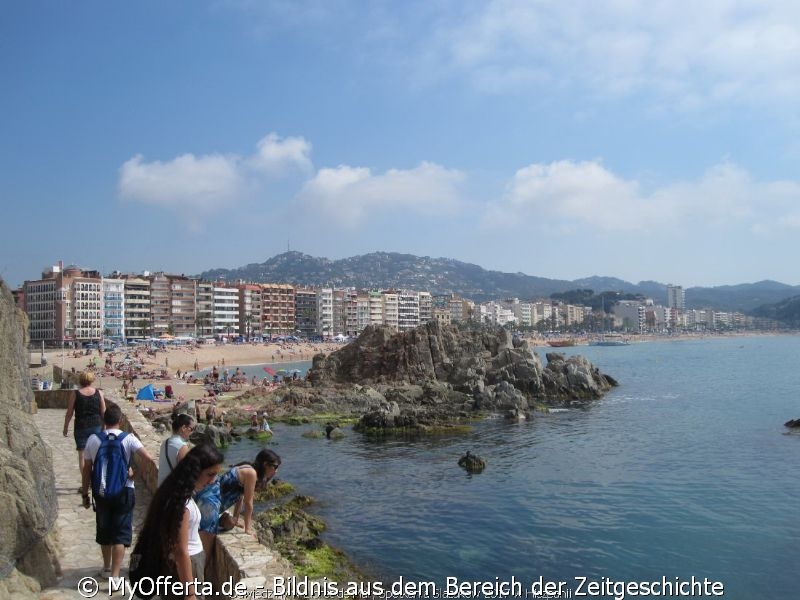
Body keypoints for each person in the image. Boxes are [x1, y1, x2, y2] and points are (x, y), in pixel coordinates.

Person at [131, 444, 223, 600]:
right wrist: (190, 593)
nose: (213, 480)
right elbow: (180, 550)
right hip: (187, 567)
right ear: (196, 471)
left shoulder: (173, 492)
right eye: (210, 474)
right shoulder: (182, 504)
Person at [81, 404, 153, 582]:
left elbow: (87, 469)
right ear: (120, 421)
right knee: (120, 534)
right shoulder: (128, 439)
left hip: (101, 491)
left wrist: (85, 493)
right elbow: (148, 458)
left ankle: (106, 568)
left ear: (103, 421)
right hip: (124, 491)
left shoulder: (93, 439)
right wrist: (134, 476)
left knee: (104, 530)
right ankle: (115, 576)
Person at [195, 449, 281, 552]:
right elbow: (248, 503)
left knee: (203, 537)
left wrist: (235, 518)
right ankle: (202, 566)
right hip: (210, 503)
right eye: (275, 467)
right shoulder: (251, 473)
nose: (276, 471)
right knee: (206, 542)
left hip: (208, 499)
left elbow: (240, 496)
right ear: (265, 464)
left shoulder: (248, 468)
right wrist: (247, 529)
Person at [63, 371, 106, 486]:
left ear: (80, 380)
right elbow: (103, 412)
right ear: (92, 380)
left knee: (82, 456)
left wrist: (65, 427)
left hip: (80, 427)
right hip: (96, 427)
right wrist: (105, 427)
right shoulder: (99, 393)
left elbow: (69, 413)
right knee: (96, 454)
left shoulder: (75, 394)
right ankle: (97, 481)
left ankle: (87, 483)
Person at [158, 413, 195, 486]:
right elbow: (187, 473)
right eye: (191, 429)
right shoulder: (182, 446)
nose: (192, 432)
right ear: (184, 428)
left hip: (161, 488)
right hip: (173, 491)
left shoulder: (165, 442)